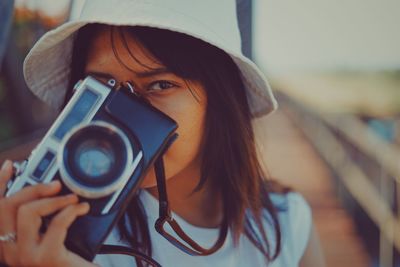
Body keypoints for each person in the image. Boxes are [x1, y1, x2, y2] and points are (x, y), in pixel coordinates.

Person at [0, 0, 325, 266]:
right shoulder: (56, 235)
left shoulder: (285, 226)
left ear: (220, 100)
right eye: (103, 87)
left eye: (159, 85)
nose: (123, 120)